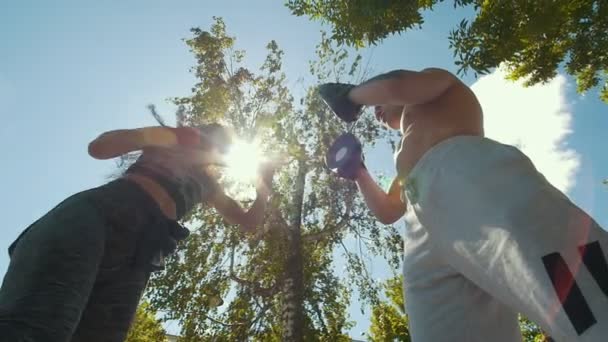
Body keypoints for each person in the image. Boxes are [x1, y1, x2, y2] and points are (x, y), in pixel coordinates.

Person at [319, 68, 608, 341]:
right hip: (421, 230)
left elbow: (395, 85)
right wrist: (358, 171)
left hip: (468, 175)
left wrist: (353, 95)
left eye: (377, 102)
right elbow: (389, 211)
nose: (375, 110)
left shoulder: (442, 85)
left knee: (566, 277)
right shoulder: (406, 162)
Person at [0, 124, 274, 342]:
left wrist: (265, 184)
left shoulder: (208, 184)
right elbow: (99, 148)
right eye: (209, 133)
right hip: (95, 216)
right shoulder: (166, 139)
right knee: (35, 327)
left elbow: (249, 222)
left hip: (139, 256)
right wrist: (171, 135)